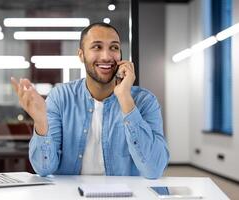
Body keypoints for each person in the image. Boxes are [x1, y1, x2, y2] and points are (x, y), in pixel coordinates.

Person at [11, 22, 169, 179]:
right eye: (97, 47)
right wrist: (40, 123)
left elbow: (154, 169)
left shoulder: (144, 101)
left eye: (114, 47)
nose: (106, 56)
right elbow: (44, 169)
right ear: (81, 55)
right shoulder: (61, 97)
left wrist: (125, 98)